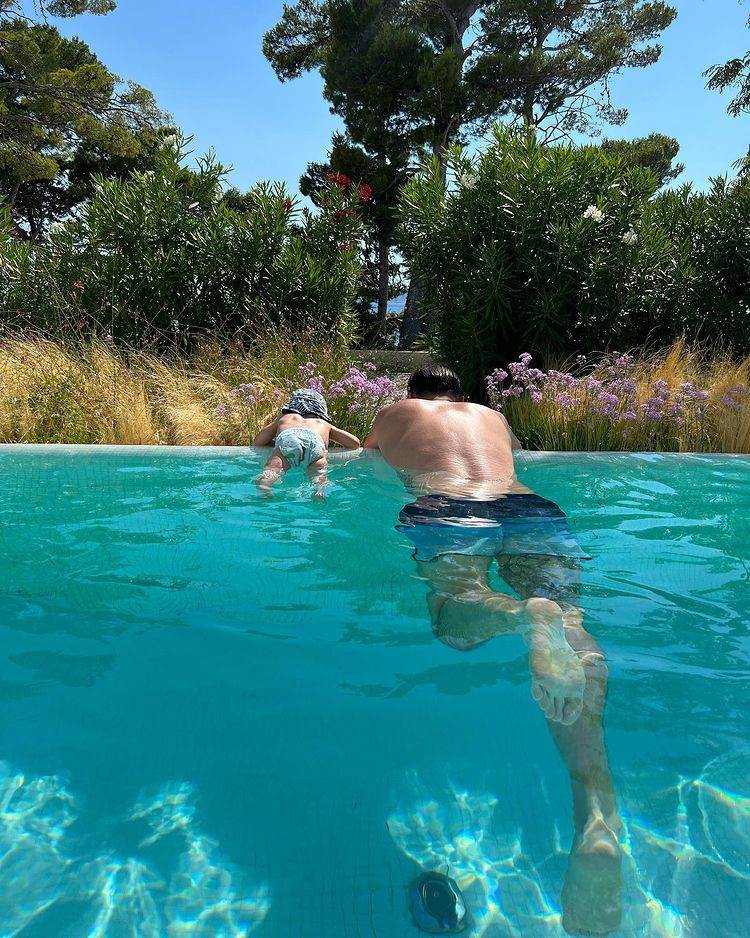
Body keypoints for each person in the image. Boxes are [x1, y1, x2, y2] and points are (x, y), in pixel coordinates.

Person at [365, 365, 622, 936]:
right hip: (530, 508)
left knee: (457, 614)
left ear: (414, 396)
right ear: (461, 397)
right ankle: (597, 818)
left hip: (451, 506)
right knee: (573, 624)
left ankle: (521, 617)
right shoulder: (495, 418)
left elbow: (370, 471)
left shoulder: (391, 414)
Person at [253, 389, 360, 493]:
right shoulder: (321, 423)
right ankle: (318, 491)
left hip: (289, 441)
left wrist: (277, 446)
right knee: (318, 475)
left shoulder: (287, 418)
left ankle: (264, 486)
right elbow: (354, 443)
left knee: (272, 470)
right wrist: (329, 434)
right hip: (315, 444)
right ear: (321, 410)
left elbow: (258, 442)